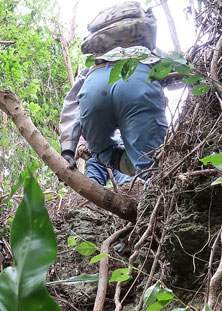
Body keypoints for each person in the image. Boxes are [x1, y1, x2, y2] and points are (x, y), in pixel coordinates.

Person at [59, 5, 168, 187]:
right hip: (137, 80)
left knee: (100, 153)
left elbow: (72, 104)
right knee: (154, 164)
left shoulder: (92, 65)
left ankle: (123, 166)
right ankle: (154, 200)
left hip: (94, 86)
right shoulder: (148, 51)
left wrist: (67, 151)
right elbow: (184, 70)